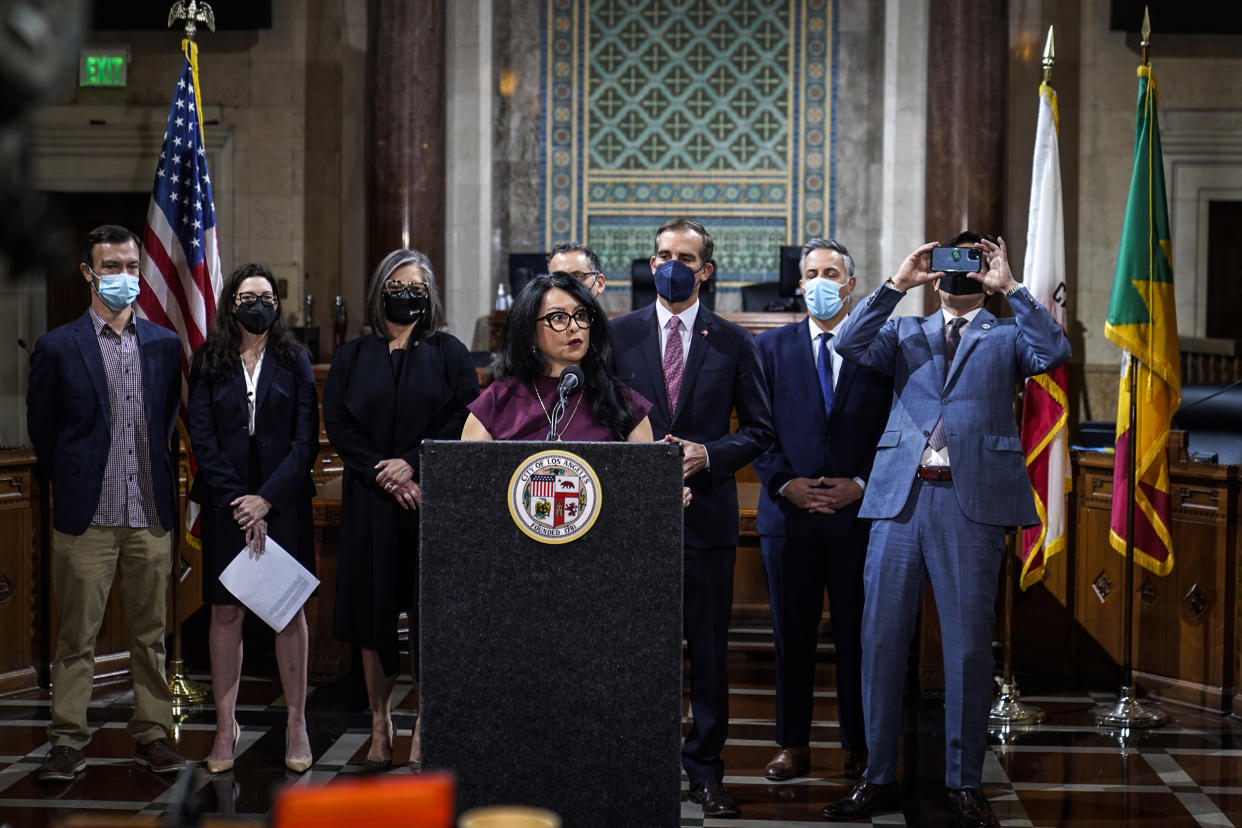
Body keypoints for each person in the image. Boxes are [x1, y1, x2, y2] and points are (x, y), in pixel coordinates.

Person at [822, 233, 1072, 827]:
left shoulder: (1008, 333)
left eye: (975, 261)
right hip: (899, 499)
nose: (961, 272)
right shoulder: (905, 331)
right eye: (951, 260)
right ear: (934, 269)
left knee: (964, 649)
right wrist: (897, 284)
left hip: (971, 503)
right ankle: (877, 776)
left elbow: (1055, 351)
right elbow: (850, 341)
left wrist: (1009, 288)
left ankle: (964, 782)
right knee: (879, 642)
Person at [610, 218, 774, 818]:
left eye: (684, 257)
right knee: (635, 650)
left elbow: (760, 430)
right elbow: (598, 423)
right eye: (661, 255)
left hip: (706, 517)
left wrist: (710, 454)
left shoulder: (733, 341)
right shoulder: (616, 335)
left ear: (705, 269)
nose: (670, 265)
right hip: (632, 523)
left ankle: (706, 770)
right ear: (651, 264)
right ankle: (639, 763)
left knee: (707, 652)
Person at [26, 224, 186, 782]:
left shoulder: (165, 346)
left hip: (148, 511)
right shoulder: (57, 346)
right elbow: (44, 433)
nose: (123, 277)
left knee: (150, 637)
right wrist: (72, 478)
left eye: (130, 266)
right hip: (86, 515)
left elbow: (166, 423)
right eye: (111, 267)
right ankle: (68, 741)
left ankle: (154, 734)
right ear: (89, 274)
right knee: (76, 638)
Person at [323, 249, 479, 770]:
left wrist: (413, 465)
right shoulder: (352, 356)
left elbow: (465, 417)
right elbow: (340, 424)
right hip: (371, 503)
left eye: (416, 286)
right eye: (396, 285)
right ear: (379, 292)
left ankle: (426, 726)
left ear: (430, 295)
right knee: (374, 616)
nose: (406, 294)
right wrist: (383, 473)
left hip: (431, 501)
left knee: (428, 614)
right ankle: (380, 724)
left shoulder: (449, 352)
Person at [752, 238, 891, 783]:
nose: (820, 281)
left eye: (831, 272)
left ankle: (858, 744)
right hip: (789, 517)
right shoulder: (770, 348)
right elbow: (756, 428)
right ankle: (792, 743)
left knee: (859, 634)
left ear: (851, 284)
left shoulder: (881, 345)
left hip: (859, 515)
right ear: (799, 282)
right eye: (811, 272)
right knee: (792, 635)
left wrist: (862, 484)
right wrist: (785, 483)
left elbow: (896, 425)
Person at [187, 263, 320, 774]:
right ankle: (226, 726)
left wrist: (266, 501)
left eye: (266, 296)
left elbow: (304, 440)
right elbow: (203, 438)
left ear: (277, 304)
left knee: (287, 611)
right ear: (231, 305)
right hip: (226, 505)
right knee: (226, 613)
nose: (257, 304)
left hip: (283, 503)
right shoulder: (209, 361)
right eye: (247, 297)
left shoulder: (295, 359)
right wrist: (240, 502)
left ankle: (297, 721)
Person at [462, 271, 652, 442]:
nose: (574, 327)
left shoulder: (625, 404)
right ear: (529, 332)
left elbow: (642, 478)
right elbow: (472, 477)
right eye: (558, 318)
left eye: (581, 315)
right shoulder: (497, 402)